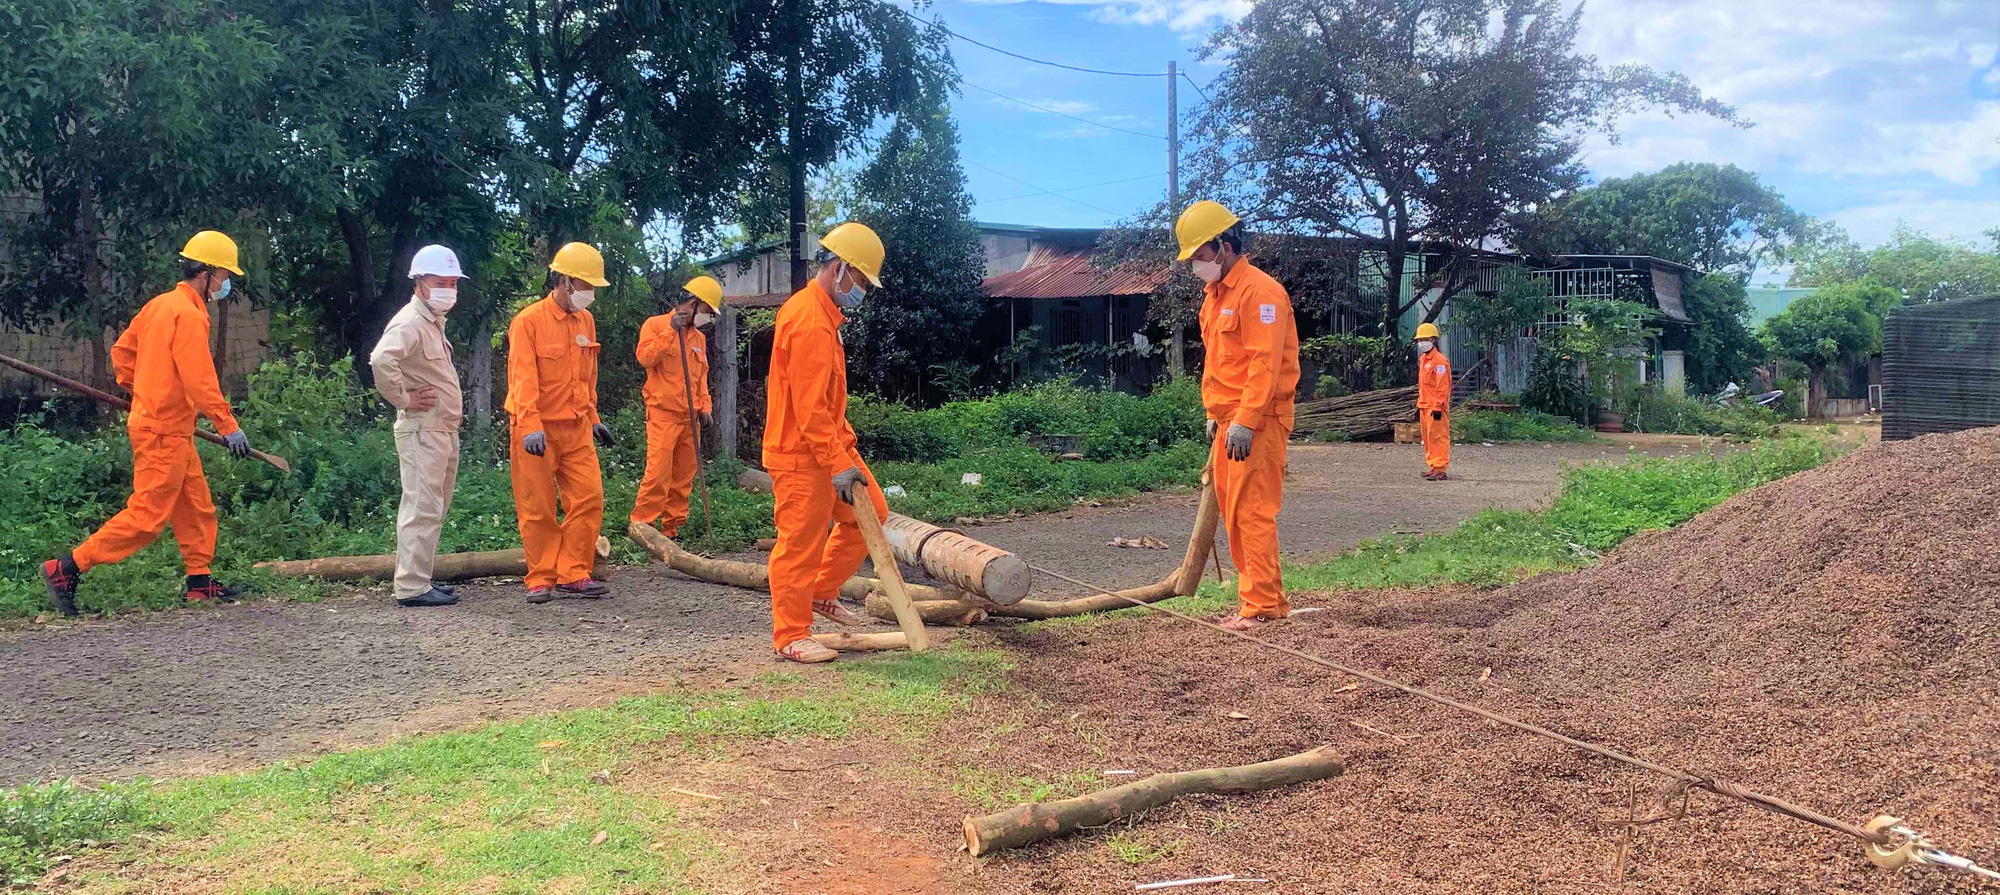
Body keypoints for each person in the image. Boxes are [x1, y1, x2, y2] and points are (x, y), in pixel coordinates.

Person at [41, 231, 257, 617]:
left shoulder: (160, 305)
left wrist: (134, 388)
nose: (225, 284)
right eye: (223, 276)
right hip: (162, 430)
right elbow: (199, 378)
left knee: (196, 506)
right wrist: (227, 424)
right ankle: (66, 567)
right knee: (146, 517)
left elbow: (122, 351)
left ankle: (199, 581)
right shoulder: (189, 315)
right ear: (205, 273)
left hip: (170, 426)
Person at [762, 222, 887, 663]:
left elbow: (826, 403)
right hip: (802, 454)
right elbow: (809, 407)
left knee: (873, 513)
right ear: (840, 268)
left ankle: (820, 590)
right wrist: (836, 460)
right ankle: (791, 635)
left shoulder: (824, 315)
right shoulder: (809, 321)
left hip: (827, 446)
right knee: (799, 543)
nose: (862, 292)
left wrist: (840, 451)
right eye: (861, 281)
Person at [1175, 201, 1300, 632]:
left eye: (1200, 256)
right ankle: (1260, 599)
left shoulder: (1260, 292)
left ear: (1223, 246)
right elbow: (1223, 363)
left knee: (1252, 512)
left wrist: (1245, 420)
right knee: (1234, 512)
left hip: (1258, 423)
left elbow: (1264, 364)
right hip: (1230, 423)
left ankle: (1263, 605)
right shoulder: (1217, 296)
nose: (1196, 265)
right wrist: (1218, 413)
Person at [506, 241, 613, 603]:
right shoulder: (529, 321)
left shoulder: (586, 320)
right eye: (587, 286)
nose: (591, 293)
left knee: (589, 497)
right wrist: (531, 423)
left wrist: (594, 418)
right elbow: (522, 377)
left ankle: (573, 572)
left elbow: (587, 377)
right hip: (536, 429)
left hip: (577, 427)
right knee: (537, 506)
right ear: (566, 281)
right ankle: (541, 577)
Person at [369, 244, 467, 608]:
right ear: (420, 283)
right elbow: (381, 359)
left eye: (453, 282)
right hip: (422, 428)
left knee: (433, 507)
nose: (449, 289)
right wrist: (405, 400)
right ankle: (411, 586)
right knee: (422, 506)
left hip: (440, 428)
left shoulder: (431, 323)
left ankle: (419, 580)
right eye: (441, 281)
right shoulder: (410, 321)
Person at [630, 275, 719, 538]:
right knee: (658, 474)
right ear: (693, 303)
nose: (708, 316)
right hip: (662, 414)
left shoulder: (699, 339)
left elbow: (701, 376)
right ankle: (642, 527)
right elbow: (645, 358)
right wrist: (671, 330)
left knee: (683, 477)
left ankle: (673, 530)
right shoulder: (655, 325)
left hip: (690, 418)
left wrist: (706, 407)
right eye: (706, 310)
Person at [1414, 322, 1452, 481]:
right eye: (1420, 339)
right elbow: (1423, 385)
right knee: (1428, 439)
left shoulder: (1440, 361)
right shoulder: (1424, 360)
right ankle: (1433, 466)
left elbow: (1443, 386)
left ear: (1433, 339)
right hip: (1425, 405)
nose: (1422, 342)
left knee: (1438, 438)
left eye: (1425, 338)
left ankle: (1440, 469)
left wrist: (1437, 406)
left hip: (1436, 407)